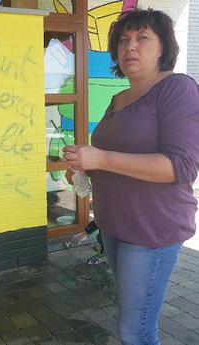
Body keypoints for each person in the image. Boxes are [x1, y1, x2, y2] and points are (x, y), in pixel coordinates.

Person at [63, 8, 199, 345]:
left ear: (162, 48)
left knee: (134, 330)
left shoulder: (177, 89)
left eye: (142, 39)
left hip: (151, 229)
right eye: (123, 40)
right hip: (114, 225)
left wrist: (102, 158)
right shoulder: (118, 98)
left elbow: (182, 167)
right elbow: (114, 158)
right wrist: (85, 167)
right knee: (129, 314)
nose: (130, 47)